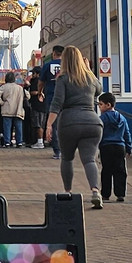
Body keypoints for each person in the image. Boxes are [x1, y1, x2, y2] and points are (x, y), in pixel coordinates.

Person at [44, 45, 104, 209]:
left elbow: (57, 103)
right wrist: (89, 70)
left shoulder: (63, 79)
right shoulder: (89, 78)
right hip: (93, 122)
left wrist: (49, 125)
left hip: (69, 122)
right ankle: (95, 191)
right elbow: (100, 90)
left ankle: (68, 191)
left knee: (67, 158)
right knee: (89, 159)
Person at [97, 92, 132, 203]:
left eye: (101, 104)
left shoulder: (102, 118)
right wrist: (129, 147)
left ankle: (106, 194)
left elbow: (98, 133)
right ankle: (120, 193)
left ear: (108, 105)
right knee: (120, 170)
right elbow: (127, 133)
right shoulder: (121, 117)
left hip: (106, 146)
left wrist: (96, 146)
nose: (99, 107)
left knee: (106, 170)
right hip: (119, 146)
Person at [38, 45, 65, 158]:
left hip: (51, 97)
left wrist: (40, 92)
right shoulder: (67, 66)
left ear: (54, 53)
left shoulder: (47, 66)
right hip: (66, 97)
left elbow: (41, 82)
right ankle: (66, 149)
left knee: (53, 123)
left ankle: (57, 151)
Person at [0, 72, 27, 147]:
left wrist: (2, 102)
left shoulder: (4, 87)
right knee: (18, 126)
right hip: (18, 109)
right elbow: (27, 96)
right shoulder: (19, 87)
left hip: (7, 109)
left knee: (7, 127)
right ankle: (19, 142)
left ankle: (7, 142)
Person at [29, 67, 48, 148]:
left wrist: (31, 91)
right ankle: (40, 141)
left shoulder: (36, 82)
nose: (32, 75)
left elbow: (34, 92)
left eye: (33, 73)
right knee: (41, 124)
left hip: (37, 106)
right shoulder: (46, 81)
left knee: (38, 124)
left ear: (37, 74)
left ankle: (40, 142)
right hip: (44, 106)